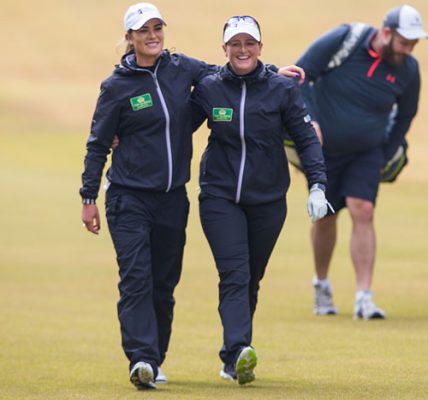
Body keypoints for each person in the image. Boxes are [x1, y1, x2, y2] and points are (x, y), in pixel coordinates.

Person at [80, 3, 304, 390]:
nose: (152, 35)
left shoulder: (183, 68)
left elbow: (233, 70)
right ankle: (142, 359)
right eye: (143, 30)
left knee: (164, 284)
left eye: (157, 28)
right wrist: (88, 196)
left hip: (172, 198)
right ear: (129, 38)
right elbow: (98, 142)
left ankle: (156, 359)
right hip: (128, 197)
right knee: (136, 279)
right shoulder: (117, 86)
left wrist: (272, 75)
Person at [190, 16, 329, 385]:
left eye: (249, 43)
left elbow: (306, 139)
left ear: (260, 47)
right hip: (220, 197)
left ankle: (229, 356)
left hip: (268, 200)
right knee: (234, 274)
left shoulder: (281, 90)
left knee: (251, 277)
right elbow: (171, 124)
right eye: (235, 44)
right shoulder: (209, 88)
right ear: (224, 49)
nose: (242, 50)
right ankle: (239, 351)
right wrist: (126, 137)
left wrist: (318, 184)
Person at [296, 4, 427, 320]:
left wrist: (385, 153)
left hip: (368, 152)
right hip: (324, 150)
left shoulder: (408, 70)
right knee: (325, 217)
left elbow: (406, 114)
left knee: (363, 209)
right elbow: (299, 77)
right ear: (386, 33)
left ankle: (363, 298)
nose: (408, 50)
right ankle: (322, 285)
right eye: (404, 42)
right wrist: (309, 121)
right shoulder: (345, 39)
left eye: (413, 44)